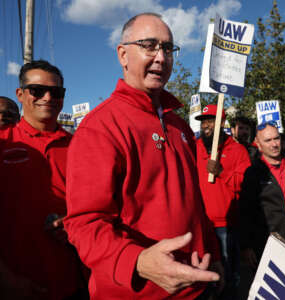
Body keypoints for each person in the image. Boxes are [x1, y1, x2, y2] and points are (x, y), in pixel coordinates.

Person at [64, 13, 222, 300]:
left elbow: (194, 203)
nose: (161, 57)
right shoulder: (100, 127)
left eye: (168, 48)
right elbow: (84, 224)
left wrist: (213, 250)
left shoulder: (179, 125)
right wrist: (136, 262)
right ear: (123, 55)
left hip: (196, 287)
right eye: (149, 46)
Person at [0, 60, 88, 299]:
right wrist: (6, 280)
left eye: (56, 92)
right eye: (37, 91)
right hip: (16, 285)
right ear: (20, 94)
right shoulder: (4, 143)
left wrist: (75, 223)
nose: (48, 97)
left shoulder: (82, 147)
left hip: (74, 282)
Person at [240, 121, 285, 270]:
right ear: (258, 144)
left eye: (276, 138)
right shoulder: (253, 173)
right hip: (268, 245)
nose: (274, 144)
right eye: (268, 140)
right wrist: (246, 246)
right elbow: (245, 212)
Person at [195, 105, 251, 299]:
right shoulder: (195, 147)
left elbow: (246, 184)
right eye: (203, 122)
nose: (206, 126)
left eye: (211, 121)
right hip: (199, 225)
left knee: (226, 276)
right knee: (203, 277)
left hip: (225, 226)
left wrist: (222, 172)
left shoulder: (237, 150)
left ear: (221, 123)